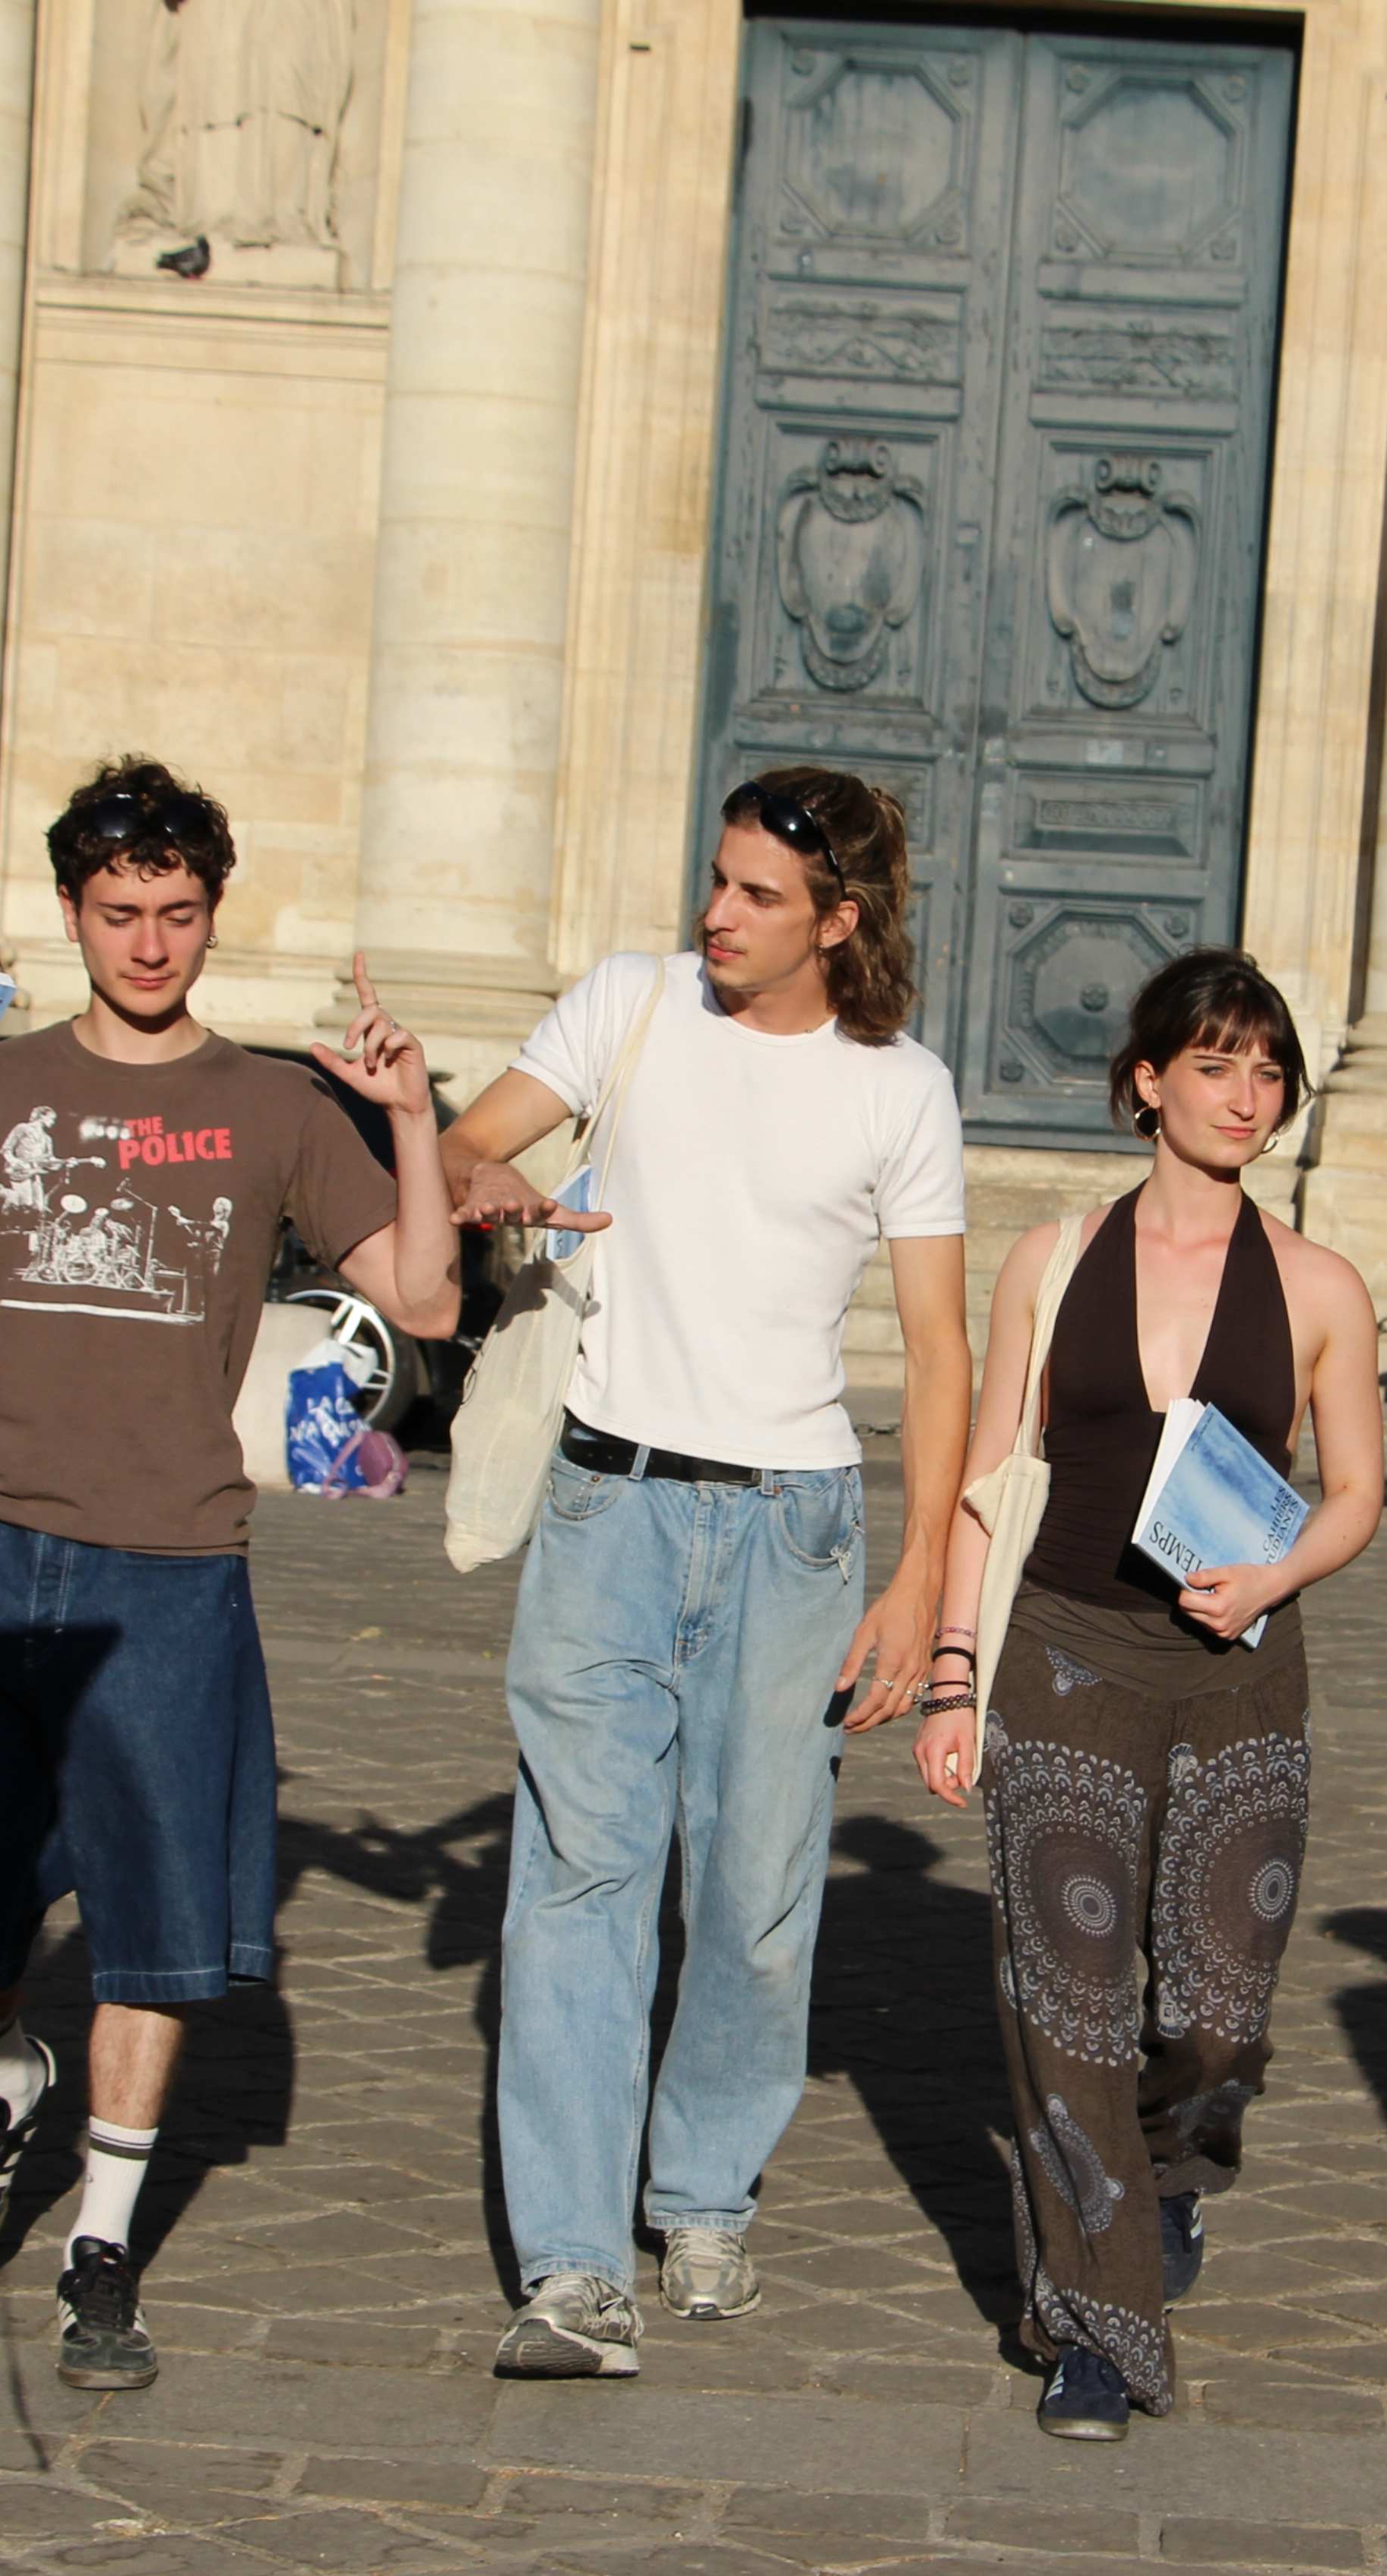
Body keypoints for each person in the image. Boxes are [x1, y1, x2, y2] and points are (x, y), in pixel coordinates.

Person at [0, 758, 458, 2391]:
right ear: (72, 910)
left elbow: (422, 1299)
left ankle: (101, 2249)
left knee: (153, 1932)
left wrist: (406, 1117)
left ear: (211, 912)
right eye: (118, 911)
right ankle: (3, 2075)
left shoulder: (275, 1104)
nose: (148, 940)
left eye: (177, 913)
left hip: (176, 1566)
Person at [440, 767, 973, 2377]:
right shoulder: (630, 1004)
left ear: (841, 921)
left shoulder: (903, 1089)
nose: (716, 914)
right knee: (582, 1879)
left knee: (752, 1903)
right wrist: (496, 1186)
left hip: (796, 1526)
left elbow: (943, 1357)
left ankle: (706, 2183)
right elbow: (470, 1147)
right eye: (717, 881)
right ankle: (576, 2263)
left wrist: (922, 1587)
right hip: (607, 1507)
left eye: (755, 895)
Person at [905, 948, 1386, 2442]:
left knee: (1223, 2003)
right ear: (1147, 1083)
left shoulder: (1318, 1285)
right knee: (1069, 2001)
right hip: (1062, 1648)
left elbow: (1361, 1490)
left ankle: (1178, 2159)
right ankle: (1097, 2325)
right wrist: (953, 1671)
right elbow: (992, 1480)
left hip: (1242, 1660)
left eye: (1268, 1072)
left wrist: (1273, 1576)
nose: (1247, 1096)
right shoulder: (1050, 1262)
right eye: (1219, 1065)